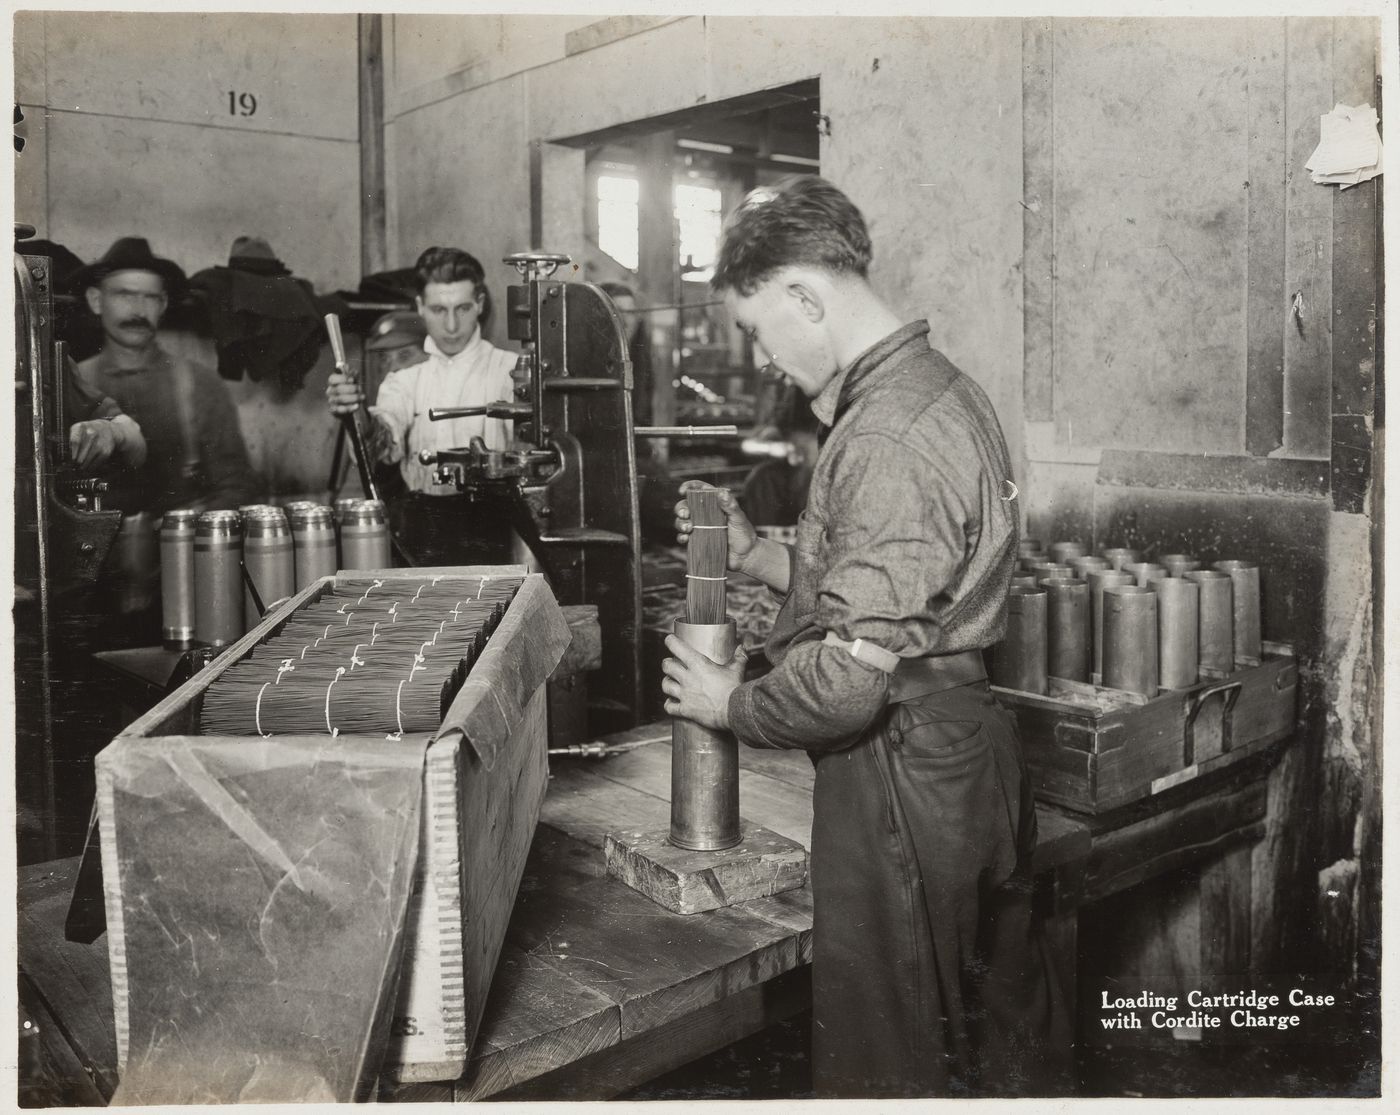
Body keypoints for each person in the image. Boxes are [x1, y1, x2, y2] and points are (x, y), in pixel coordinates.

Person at [662, 176, 1072, 1098]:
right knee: (993, 1028)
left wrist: (725, 703)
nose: (764, 359)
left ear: (806, 297)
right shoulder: (938, 390)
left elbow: (849, 683)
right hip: (963, 744)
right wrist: (762, 553)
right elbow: (893, 579)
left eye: (761, 329)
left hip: (903, 763)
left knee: (891, 1048)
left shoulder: (887, 434)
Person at [74, 236, 257, 514]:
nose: (138, 310)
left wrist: (185, 534)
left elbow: (236, 486)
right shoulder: (73, 384)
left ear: (163, 305)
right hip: (97, 553)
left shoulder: (199, 383)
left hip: (182, 548)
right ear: (96, 300)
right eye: (124, 295)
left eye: (150, 298)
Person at [325, 247, 516, 494]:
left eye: (462, 308)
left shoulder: (510, 370)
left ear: (479, 305)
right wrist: (356, 412)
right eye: (438, 310)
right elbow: (378, 449)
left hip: (494, 524)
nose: (451, 326)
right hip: (423, 523)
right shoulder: (405, 382)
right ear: (420, 307)